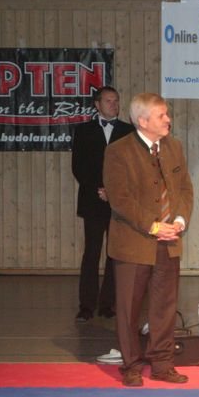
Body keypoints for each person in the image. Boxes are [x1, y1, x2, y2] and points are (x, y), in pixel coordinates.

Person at [103, 93, 193, 387]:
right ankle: (131, 365)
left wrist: (179, 221)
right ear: (142, 121)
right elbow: (120, 200)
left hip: (169, 242)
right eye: (161, 115)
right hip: (133, 244)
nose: (168, 120)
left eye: (167, 114)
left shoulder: (174, 147)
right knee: (129, 309)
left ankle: (162, 364)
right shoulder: (118, 151)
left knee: (164, 308)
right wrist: (154, 227)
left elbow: (185, 190)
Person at [71, 86, 134, 322]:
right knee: (92, 252)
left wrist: (114, 191)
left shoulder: (128, 131)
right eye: (108, 101)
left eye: (116, 101)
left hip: (119, 201)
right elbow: (79, 166)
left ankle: (108, 303)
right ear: (97, 105)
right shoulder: (84, 131)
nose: (114, 105)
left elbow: (132, 167)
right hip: (93, 199)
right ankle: (86, 305)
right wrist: (99, 188)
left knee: (114, 253)